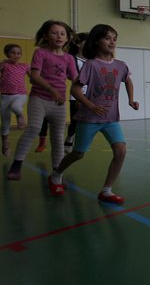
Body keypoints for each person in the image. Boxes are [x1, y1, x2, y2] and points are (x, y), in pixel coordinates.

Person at [47, 24, 139, 202]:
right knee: (78, 153)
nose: (112, 41)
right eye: (107, 38)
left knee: (121, 151)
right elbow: (75, 89)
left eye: (114, 38)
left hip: (111, 118)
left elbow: (127, 81)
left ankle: (106, 191)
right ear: (97, 41)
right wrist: (90, 106)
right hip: (89, 118)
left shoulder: (121, 65)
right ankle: (56, 175)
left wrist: (130, 99)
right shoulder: (91, 65)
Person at [7, 20, 78, 181]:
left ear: (67, 38)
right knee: (33, 128)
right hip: (39, 99)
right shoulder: (41, 53)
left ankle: (56, 173)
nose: (59, 36)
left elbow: (75, 79)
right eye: (54, 33)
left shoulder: (68, 58)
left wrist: (87, 92)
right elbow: (35, 77)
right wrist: (52, 90)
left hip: (59, 103)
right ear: (46, 36)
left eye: (62, 34)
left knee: (58, 137)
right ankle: (16, 165)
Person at [1, 44, 31, 156]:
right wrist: (2, 64)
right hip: (5, 96)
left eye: (18, 53)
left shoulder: (24, 66)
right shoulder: (4, 65)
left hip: (20, 94)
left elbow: (33, 77)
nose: (16, 55)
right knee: (5, 123)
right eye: (13, 53)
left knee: (16, 107)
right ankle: (5, 143)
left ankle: (20, 116)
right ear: (7, 54)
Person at [64, 32, 88, 151]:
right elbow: (69, 75)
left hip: (90, 94)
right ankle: (69, 138)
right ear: (78, 44)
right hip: (77, 93)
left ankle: (80, 142)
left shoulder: (92, 59)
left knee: (87, 120)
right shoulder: (71, 58)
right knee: (75, 120)